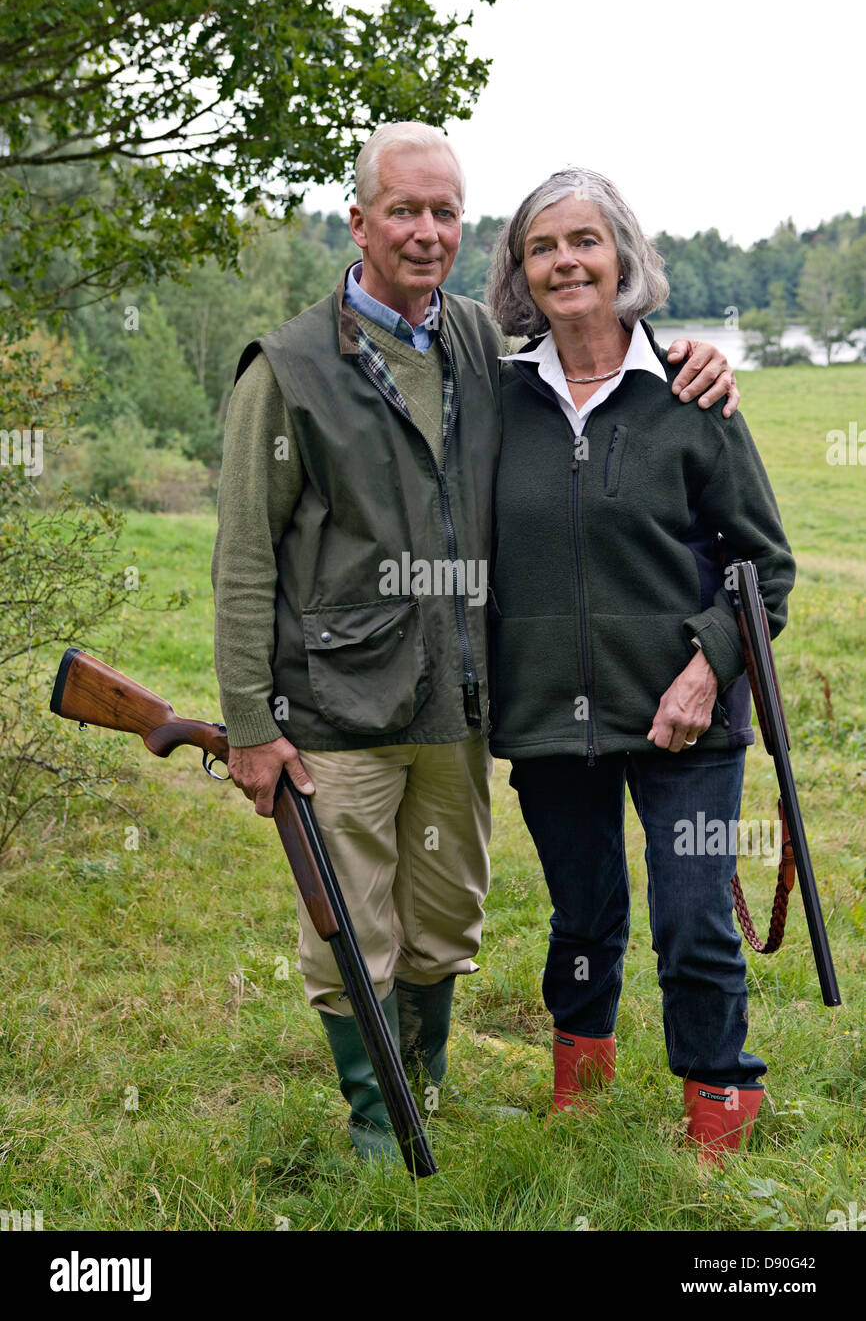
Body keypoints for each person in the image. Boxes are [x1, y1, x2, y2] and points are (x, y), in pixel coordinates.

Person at [211, 125, 738, 1162]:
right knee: (352, 926)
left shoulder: (470, 342)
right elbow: (241, 559)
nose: (423, 231)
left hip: (460, 701)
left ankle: (431, 1087)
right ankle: (377, 1121)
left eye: (443, 212)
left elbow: (593, 351)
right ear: (357, 221)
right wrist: (247, 721)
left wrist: (690, 357)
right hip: (335, 706)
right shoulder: (287, 367)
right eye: (401, 211)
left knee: (444, 915)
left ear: (463, 227)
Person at [484, 167, 796, 1164]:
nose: (565, 260)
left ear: (621, 255)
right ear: (519, 272)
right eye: (542, 246)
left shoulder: (687, 394)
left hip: (686, 716)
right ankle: (581, 1067)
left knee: (691, 913)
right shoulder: (496, 401)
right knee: (579, 913)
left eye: (584, 239)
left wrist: (706, 666)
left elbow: (764, 566)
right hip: (546, 711)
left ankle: (718, 1094)